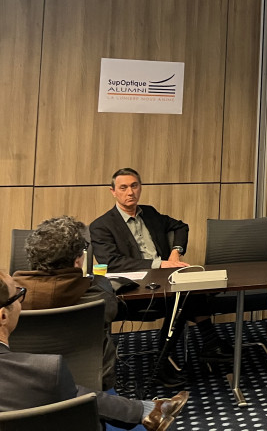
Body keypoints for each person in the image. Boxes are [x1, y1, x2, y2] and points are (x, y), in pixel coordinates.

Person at [90, 168, 231, 387]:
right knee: (184, 299)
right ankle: (193, 350)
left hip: (165, 280)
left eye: (134, 186)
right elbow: (112, 262)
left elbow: (180, 226)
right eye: (123, 187)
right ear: (113, 192)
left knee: (191, 291)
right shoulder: (101, 225)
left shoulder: (150, 213)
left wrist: (176, 251)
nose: (130, 192)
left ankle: (177, 357)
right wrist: (160, 263)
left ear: (140, 187)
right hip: (133, 289)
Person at [0, 270, 189, 430]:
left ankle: (148, 410)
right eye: (18, 294)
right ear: (3, 316)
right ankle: (148, 411)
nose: (21, 300)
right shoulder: (44, 371)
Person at [13, 216, 119, 389]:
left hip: (22, 386)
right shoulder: (98, 295)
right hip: (88, 386)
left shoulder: (10, 299)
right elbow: (112, 312)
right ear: (77, 261)